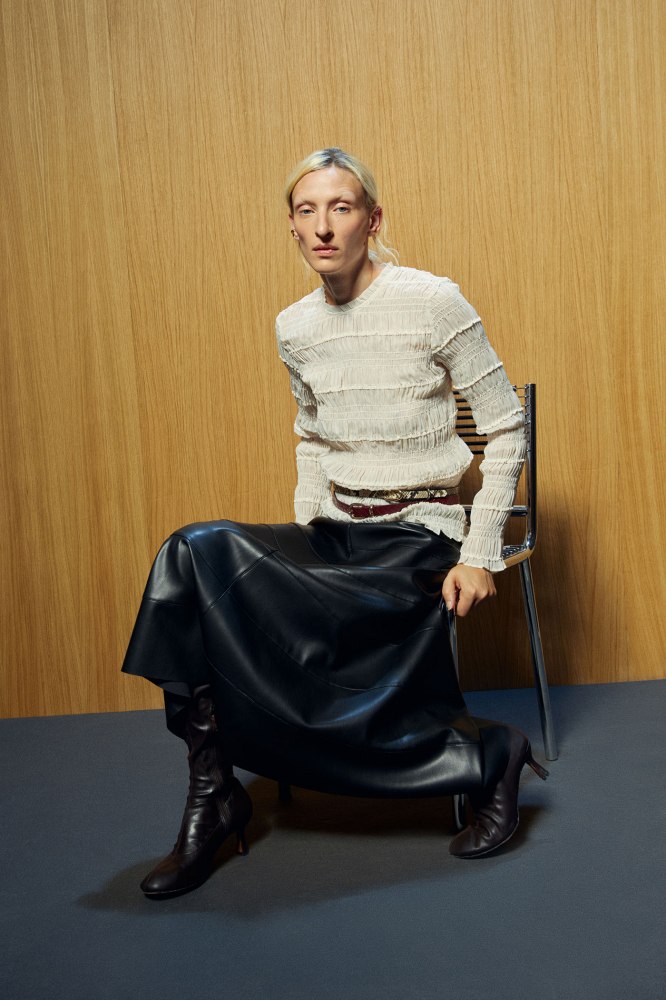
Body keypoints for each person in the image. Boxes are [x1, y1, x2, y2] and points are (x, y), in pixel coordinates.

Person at [122, 147, 548, 900]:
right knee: (193, 551)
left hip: (420, 535)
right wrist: (304, 555)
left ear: (372, 221)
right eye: (307, 210)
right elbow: (313, 442)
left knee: (285, 600)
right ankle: (212, 791)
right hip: (334, 530)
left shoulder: (433, 301)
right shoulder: (294, 326)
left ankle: (490, 756)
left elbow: (506, 428)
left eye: (341, 208)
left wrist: (480, 552)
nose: (323, 226)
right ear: (292, 226)